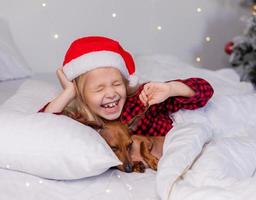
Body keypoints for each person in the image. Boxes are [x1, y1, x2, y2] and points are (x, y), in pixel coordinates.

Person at [39, 36, 214, 136]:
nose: (111, 93)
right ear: (81, 94)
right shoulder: (79, 119)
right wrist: (69, 92)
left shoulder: (141, 101)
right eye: (99, 89)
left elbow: (205, 90)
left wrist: (170, 89)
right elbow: (41, 127)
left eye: (116, 84)